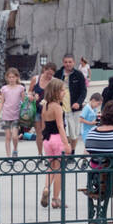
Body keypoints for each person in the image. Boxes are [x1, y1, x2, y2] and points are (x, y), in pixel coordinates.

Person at [39, 78, 72, 209]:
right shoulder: (57, 107)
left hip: (47, 139)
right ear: (56, 92)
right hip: (57, 139)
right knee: (59, 169)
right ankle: (56, 199)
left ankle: (46, 188)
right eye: (62, 90)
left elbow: (43, 125)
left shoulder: (45, 106)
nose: (64, 92)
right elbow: (60, 126)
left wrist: (43, 138)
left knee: (51, 166)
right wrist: (67, 143)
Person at [55, 54, 87, 151]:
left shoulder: (79, 75)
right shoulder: (58, 74)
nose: (68, 64)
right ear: (63, 62)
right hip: (61, 108)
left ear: (73, 62)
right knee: (64, 132)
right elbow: (53, 88)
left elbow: (83, 91)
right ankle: (66, 151)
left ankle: (72, 151)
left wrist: (79, 102)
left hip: (74, 109)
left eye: (70, 62)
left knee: (74, 134)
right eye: (66, 62)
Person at [0, 66, 26, 157]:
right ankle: (8, 156)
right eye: (10, 77)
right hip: (6, 115)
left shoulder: (20, 88)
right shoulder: (4, 88)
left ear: (17, 77)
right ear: (7, 78)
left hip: (16, 115)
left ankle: (15, 150)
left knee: (14, 136)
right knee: (8, 137)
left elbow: (24, 102)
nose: (11, 79)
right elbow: (1, 103)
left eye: (13, 77)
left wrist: (25, 112)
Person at [29, 62, 57, 156]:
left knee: (46, 132)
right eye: (47, 73)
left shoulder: (54, 81)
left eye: (51, 74)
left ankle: (47, 154)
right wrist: (33, 95)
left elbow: (57, 95)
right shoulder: (36, 79)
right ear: (44, 70)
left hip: (48, 110)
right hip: (37, 109)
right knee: (39, 133)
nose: (49, 76)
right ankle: (40, 154)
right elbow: (29, 91)